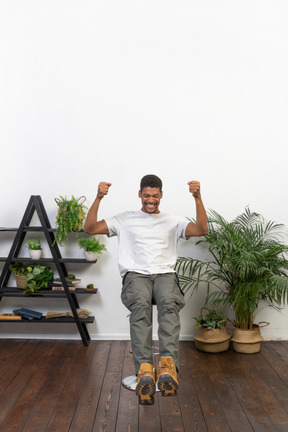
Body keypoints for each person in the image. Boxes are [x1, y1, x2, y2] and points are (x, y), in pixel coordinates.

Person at [84, 174, 208, 405]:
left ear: (161, 195)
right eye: (147, 195)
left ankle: (168, 368)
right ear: (140, 194)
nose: (151, 200)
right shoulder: (124, 219)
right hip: (136, 274)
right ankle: (145, 371)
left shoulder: (173, 220)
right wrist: (99, 197)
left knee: (168, 307)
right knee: (140, 308)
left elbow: (202, 229)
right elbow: (89, 228)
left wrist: (197, 197)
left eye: (155, 196)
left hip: (165, 274)